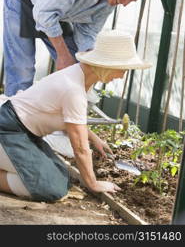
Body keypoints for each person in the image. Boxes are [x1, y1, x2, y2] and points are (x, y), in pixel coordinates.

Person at [0, 30, 152, 201]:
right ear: (107, 65)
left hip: (21, 131)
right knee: (49, 188)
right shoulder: (74, 90)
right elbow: (79, 148)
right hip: (7, 131)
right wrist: (93, 184)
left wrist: (95, 139)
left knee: (60, 176)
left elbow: (73, 121)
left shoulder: (78, 75)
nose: (122, 76)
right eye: (122, 69)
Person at [3, 0, 154, 96]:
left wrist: (93, 60)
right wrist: (62, 55)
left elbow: (87, 31)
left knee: (76, 64)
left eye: (131, 0)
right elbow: (44, 13)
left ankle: (56, 110)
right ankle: (11, 118)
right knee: (22, 69)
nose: (125, 4)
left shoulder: (111, 1)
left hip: (57, 12)